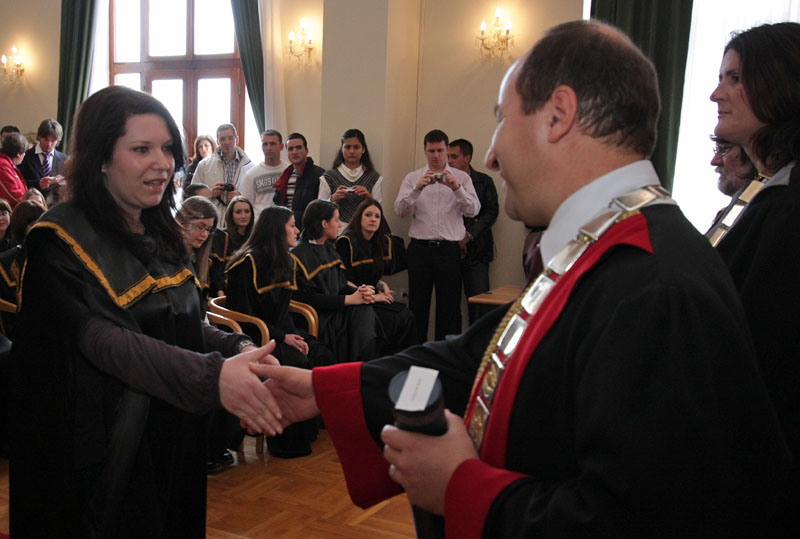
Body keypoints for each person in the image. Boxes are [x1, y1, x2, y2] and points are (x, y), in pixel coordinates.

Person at [255, 20, 789, 538]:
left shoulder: (654, 284)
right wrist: (325, 391)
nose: (490, 153)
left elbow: (640, 517)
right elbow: (479, 354)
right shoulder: (609, 245)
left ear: (558, 116)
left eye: (501, 120)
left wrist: (459, 486)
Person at [8, 86, 284, 538]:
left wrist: (239, 347)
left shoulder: (157, 231)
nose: (164, 162)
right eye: (142, 149)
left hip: (168, 429)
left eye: (168, 149)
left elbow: (176, 320)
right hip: (101, 449)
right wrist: (212, 375)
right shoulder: (57, 240)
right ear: (100, 157)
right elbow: (105, 341)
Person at [709, 21, 800, 535]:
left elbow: (748, 361)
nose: (716, 92)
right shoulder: (772, 196)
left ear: (781, 83)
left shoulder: (786, 212)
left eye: (735, 78)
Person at [226, 205, 335, 457]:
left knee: (322, 355)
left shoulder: (284, 259)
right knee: (295, 362)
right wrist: (283, 336)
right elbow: (244, 315)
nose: (297, 230)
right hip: (252, 336)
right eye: (292, 225)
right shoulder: (247, 263)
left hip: (277, 332)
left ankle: (309, 432)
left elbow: (283, 310)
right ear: (277, 229)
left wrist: (292, 336)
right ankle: (286, 444)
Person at [395, 129, 480, 342]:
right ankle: (415, 359)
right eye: (431, 150)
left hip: (450, 251)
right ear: (425, 150)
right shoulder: (413, 178)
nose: (436, 155)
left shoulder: (462, 178)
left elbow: (473, 211)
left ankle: (445, 361)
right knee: (417, 308)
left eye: (440, 150)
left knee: (449, 310)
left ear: (447, 149)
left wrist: (457, 188)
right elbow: (400, 212)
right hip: (420, 250)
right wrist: (417, 189)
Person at [290, 199, 379, 363]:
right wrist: (349, 299)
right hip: (318, 316)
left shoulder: (329, 248)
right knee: (363, 313)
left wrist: (359, 292)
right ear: (324, 223)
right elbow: (308, 298)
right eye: (337, 220)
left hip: (335, 309)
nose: (340, 225)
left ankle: (364, 366)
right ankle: (361, 367)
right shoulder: (298, 255)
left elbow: (341, 285)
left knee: (386, 314)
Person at [336, 199, 416, 354]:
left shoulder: (379, 242)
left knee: (405, 314)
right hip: (353, 300)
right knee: (398, 317)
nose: (373, 219)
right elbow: (342, 280)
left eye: (377, 216)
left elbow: (368, 272)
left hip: (371, 296)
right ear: (359, 217)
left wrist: (381, 285)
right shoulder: (346, 241)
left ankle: (401, 364)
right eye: (368, 215)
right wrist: (374, 297)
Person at [447, 138, 500, 325]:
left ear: (467, 158)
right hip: (450, 251)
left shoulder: (484, 182)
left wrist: (469, 235)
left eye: (454, 156)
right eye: (447, 157)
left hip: (477, 250)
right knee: (450, 305)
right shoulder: (442, 182)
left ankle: (477, 350)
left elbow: (492, 212)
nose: (449, 161)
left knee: (479, 304)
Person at [319, 128, 383, 227]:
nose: (352, 151)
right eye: (347, 147)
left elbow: (378, 211)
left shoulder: (374, 178)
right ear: (342, 149)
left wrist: (369, 198)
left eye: (356, 147)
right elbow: (319, 208)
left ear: (363, 149)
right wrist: (333, 199)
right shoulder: (329, 177)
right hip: (336, 230)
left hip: (364, 230)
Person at [191, 123, 253, 220]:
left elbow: (255, 198)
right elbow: (192, 195)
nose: (227, 142)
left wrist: (240, 196)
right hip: (213, 219)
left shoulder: (250, 167)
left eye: (230, 138)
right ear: (217, 141)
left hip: (240, 221)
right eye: (222, 139)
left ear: (237, 139)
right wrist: (210, 194)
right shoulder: (204, 165)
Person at [273, 132, 326, 231]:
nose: (294, 152)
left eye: (299, 148)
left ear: (306, 150)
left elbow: (322, 209)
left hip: (309, 231)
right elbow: (278, 203)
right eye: (290, 149)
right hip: (286, 230)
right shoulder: (285, 176)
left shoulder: (319, 175)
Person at [17, 118, 68, 205]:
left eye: (53, 141)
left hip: (56, 207)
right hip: (32, 205)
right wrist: (37, 183)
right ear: (39, 137)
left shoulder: (64, 159)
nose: (49, 144)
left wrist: (64, 182)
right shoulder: (26, 156)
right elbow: (19, 183)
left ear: (58, 140)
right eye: (46, 139)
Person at [176, 195, 217, 300]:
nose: (204, 235)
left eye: (208, 229)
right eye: (200, 227)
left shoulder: (198, 258)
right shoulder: (166, 256)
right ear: (182, 222)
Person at [240, 129, 285, 218]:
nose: (268, 148)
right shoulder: (251, 174)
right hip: (259, 225)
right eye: (265, 144)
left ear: (281, 146)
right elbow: (246, 205)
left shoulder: (289, 170)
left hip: (284, 224)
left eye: (273, 144)